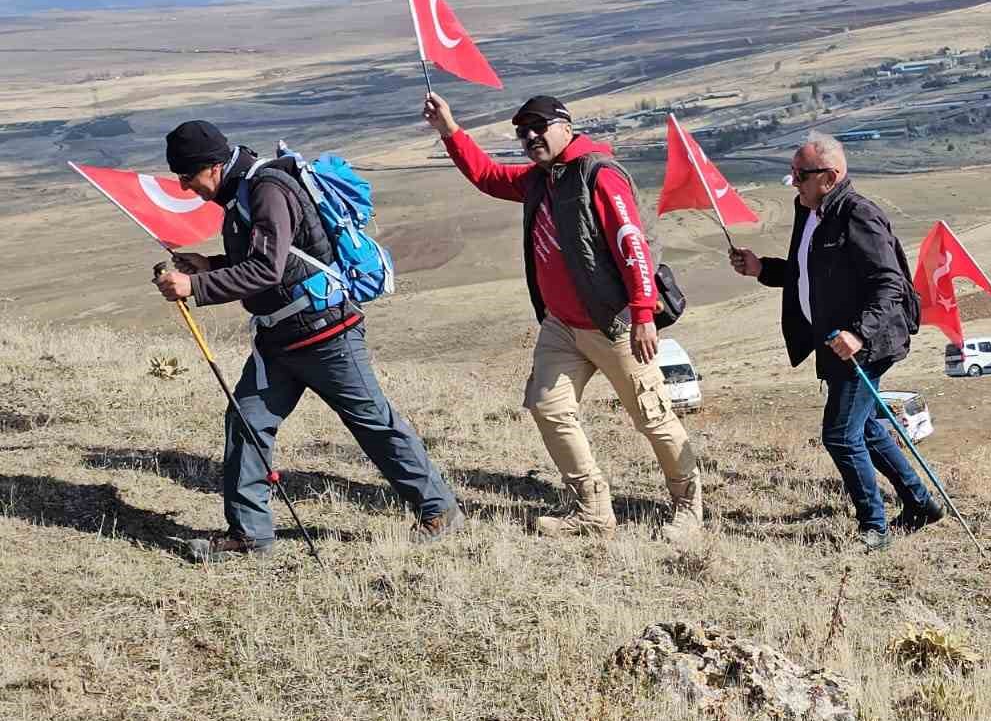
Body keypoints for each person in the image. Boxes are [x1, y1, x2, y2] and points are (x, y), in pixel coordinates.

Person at [152, 119, 462, 562]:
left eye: (187, 177)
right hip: (280, 335)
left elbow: (266, 270)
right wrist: (209, 265)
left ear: (213, 167)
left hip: (325, 332)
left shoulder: (266, 190)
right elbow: (267, 260)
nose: (186, 188)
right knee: (246, 422)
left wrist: (195, 288)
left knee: (373, 421)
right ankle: (250, 535)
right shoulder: (244, 193)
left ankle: (438, 510)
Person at [422, 92, 700, 543]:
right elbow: (489, 177)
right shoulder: (540, 179)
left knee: (652, 416)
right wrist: (450, 130)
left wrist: (644, 314)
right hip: (562, 326)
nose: (531, 137)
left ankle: (688, 507)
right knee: (548, 408)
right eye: (523, 132)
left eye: (540, 127)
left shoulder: (599, 174)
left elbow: (634, 247)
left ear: (566, 126)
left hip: (615, 325)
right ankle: (592, 508)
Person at [727, 131, 939, 551]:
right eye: (793, 174)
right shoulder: (810, 212)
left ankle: (873, 527)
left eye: (800, 175)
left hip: (867, 344)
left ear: (830, 175)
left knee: (841, 434)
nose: (794, 182)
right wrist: (761, 268)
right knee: (866, 429)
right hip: (835, 341)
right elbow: (808, 273)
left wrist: (859, 332)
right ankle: (920, 503)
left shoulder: (858, 215)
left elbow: (890, 283)